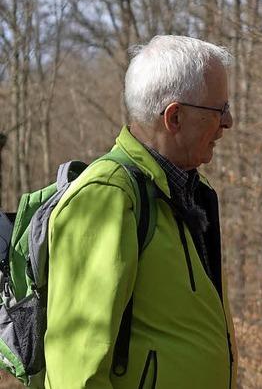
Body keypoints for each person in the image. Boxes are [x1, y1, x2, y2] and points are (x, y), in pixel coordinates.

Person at [44, 36, 237, 388]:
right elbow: (76, 369)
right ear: (174, 116)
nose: (229, 122)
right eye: (219, 110)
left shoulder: (193, 191)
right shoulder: (107, 198)